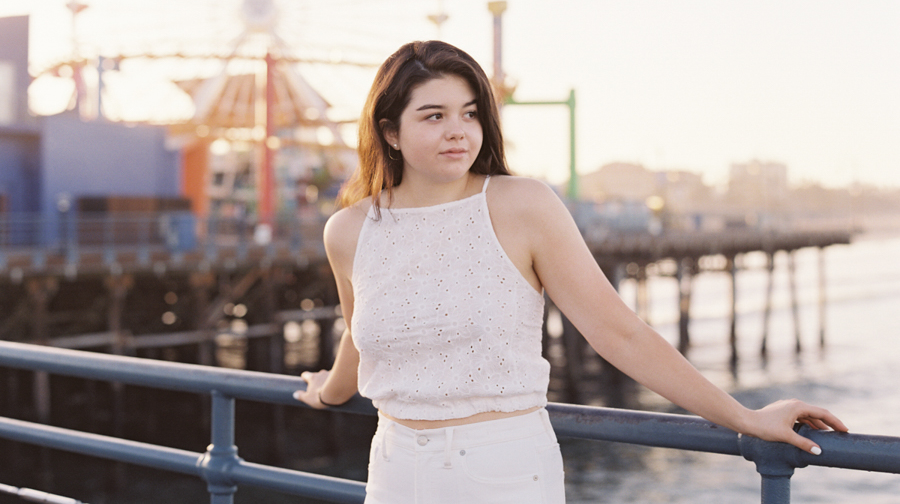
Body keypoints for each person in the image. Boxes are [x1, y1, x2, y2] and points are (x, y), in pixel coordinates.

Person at [294, 40, 846, 503]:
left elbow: (618, 332)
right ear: (390, 132)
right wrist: (329, 391)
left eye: (469, 113)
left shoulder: (521, 205)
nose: (458, 130)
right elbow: (361, 335)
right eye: (434, 116)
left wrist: (744, 418)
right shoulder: (349, 229)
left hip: (500, 469)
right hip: (394, 470)